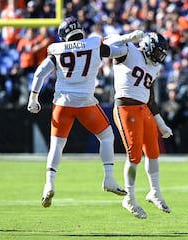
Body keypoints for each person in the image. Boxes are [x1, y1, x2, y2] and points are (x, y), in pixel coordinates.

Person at [27, 17, 145, 208]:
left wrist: (33, 98)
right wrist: (128, 39)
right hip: (86, 103)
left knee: (56, 146)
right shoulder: (94, 44)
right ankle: (108, 178)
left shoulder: (56, 49)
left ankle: (49, 183)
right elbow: (117, 51)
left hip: (62, 104)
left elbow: (40, 72)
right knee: (107, 136)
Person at [104, 31, 173, 219]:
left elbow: (150, 96)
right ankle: (130, 197)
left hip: (144, 109)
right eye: (158, 52)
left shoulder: (154, 67)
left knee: (153, 151)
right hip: (126, 109)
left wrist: (160, 122)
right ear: (149, 45)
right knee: (134, 156)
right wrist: (127, 37)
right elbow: (103, 46)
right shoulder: (129, 51)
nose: (160, 57)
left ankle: (155, 192)